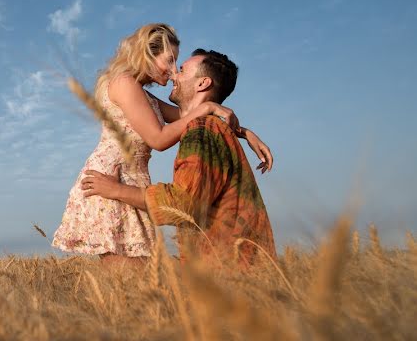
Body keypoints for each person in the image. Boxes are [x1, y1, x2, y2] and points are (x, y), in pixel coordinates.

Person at [51, 24, 271, 265]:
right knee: (126, 284)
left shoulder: (143, 95)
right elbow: (159, 138)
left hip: (131, 181)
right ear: (148, 53)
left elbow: (186, 116)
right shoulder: (124, 83)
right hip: (113, 180)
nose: (173, 71)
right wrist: (208, 107)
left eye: (178, 64)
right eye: (170, 60)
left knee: (136, 285)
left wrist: (244, 133)